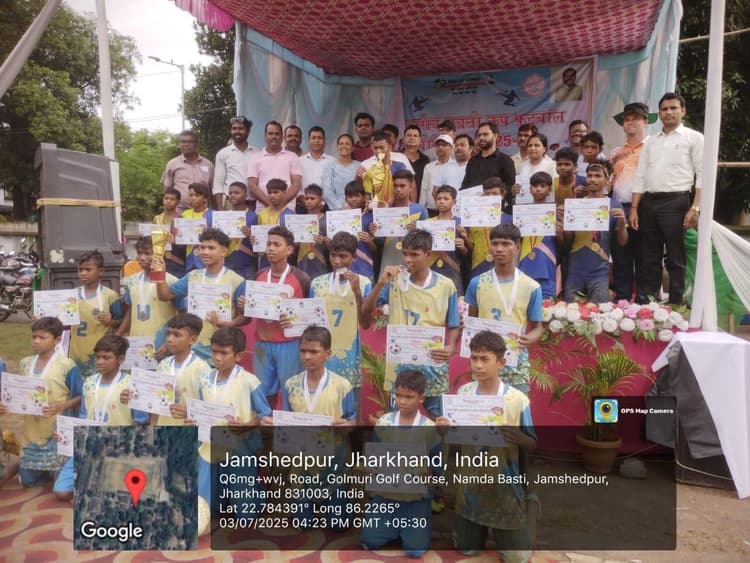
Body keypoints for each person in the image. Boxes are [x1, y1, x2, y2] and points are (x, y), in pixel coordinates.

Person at [437, 330, 536, 563]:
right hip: (470, 488)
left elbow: (532, 443)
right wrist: (443, 430)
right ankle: (473, 531)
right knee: (466, 549)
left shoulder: (517, 400)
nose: (478, 365)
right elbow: (455, 435)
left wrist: (518, 437)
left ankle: (516, 529)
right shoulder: (464, 393)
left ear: (501, 363)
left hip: (505, 488)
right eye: (474, 358)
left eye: (485, 359)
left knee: (517, 558)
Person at [362, 229, 460, 418]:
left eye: (414, 254)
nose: (408, 259)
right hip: (400, 366)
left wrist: (451, 346)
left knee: (438, 419)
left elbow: (454, 323)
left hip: (432, 364)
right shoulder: (393, 282)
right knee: (397, 420)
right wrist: (380, 283)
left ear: (428, 254)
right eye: (405, 253)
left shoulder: (446, 285)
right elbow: (366, 311)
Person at [180, 327, 272, 531]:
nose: (217, 357)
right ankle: (221, 497)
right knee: (206, 511)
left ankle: (256, 495)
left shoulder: (249, 381)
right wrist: (193, 421)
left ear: (239, 356)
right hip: (209, 447)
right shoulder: (205, 379)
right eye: (214, 351)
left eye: (224, 353)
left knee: (246, 516)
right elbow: (199, 410)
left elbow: (266, 417)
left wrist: (246, 425)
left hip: (239, 448)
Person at [53, 335, 149, 501]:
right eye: (97, 357)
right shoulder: (89, 383)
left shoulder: (131, 386)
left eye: (106, 357)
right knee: (61, 492)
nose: (100, 362)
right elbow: (83, 417)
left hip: (118, 447)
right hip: (89, 445)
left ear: (120, 359)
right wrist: (66, 434)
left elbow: (142, 421)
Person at [630, 93, 703, 306]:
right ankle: (650, 304)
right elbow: (641, 175)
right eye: (664, 109)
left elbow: (702, 174)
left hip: (676, 202)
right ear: (659, 113)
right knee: (649, 256)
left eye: (673, 108)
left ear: (683, 111)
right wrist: (634, 207)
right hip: (648, 203)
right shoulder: (651, 142)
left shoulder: (694, 138)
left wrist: (695, 207)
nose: (668, 112)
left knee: (675, 257)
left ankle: (676, 303)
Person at [360, 369, 442, 558]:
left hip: (415, 498)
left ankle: (409, 528)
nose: (402, 401)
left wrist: (432, 478)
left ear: (421, 398)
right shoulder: (384, 422)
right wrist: (370, 471)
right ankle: (393, 528)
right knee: (369, 541)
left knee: (415, 550)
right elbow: (374, 454)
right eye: (398, 395)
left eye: (409, 397)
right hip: (385, 496)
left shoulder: (430, 428)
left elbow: (436, 462)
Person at [0, 318, 81, 495]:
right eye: (34, 337)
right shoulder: (25, 363)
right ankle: (21, 464)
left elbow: (79, 396)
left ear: (57, 339)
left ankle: (63, 467)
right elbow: (19, 393)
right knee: (29, 482)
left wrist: (61, 406)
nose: (36, 341)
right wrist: (7, 405)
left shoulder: (67, 365)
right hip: (31, 431)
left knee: (61, 483)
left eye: (42, 338)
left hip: (56, 431)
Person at [465, 224, 544, 395]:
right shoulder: (476, 283)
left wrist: (529, 338)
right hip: (484, 364)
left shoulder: (531, 286)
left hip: (516, 364)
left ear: (517, 247)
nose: (499, 249)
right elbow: (471, 322)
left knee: (516, 410)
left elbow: (538, 327)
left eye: (506, 244)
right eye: (495, 243)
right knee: (484, 410)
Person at [154, 228, 246, 362]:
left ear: (224, 251)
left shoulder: (237, 281)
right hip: (190, 347)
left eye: (211, 248)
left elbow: (245, 317)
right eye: (202, 247)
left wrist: (230, 323)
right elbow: (165, 296)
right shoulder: (193, 276)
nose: (205, 252)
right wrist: (159, 273)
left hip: (218, 349)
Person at [310, 232, 372, 413]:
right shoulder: (317, 283)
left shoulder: (364, 283)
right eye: (333, 255)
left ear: (354, 257)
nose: (337, 261)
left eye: (343, 256)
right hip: (322, 354)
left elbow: (365, 322)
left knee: (350, 410)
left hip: (349, 357)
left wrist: (357, 292)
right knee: (321, 406)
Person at [249, 225, 311, 405]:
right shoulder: (259, 275)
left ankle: (290, 423)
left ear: (289, 250)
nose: (271, 248)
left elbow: (310, 314)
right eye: (268, 244)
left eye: (276, 244)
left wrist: (295, 317)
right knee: (263, 393)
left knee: (292, 391)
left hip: (289, 343)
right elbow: (252, 309)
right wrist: (244, 304)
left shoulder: (302, 278)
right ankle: (266, 423)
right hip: (263, 342)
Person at [609, 102, 657, 302]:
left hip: (646, 207)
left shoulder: (653, 147)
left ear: (645, 121)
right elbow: (610, 182)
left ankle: (645, 300)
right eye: (626, 119)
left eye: (635, 118)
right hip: (619, 206)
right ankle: (622, 298)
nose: (630, 123)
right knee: (621, 254)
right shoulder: (615, 152)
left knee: (645, 255)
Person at [562, 161, 628, 303]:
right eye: (590, 175)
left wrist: (622, 223)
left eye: (597, 176)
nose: (592, 179)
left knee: (599, 309)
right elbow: (568, 238)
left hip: (599, 271)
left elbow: (622, 242)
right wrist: (565, 224)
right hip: (575, 269)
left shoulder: (614, 204)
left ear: (607, 180)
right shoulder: (576, 204)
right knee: (570, 310)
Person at [116, 236, 181, 357]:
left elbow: (182, 315)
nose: (142, 258)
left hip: (161, 344)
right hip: (137, 344)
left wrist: (168, 344)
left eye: (147, 253)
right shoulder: (132, 281)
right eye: (139, 253)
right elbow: (131, 310)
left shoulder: (172, 281)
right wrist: (118, 335)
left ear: (159, 255)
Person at [69, 250, 122, 379]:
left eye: (88, 269)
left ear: (100, 271)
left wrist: (111, 322)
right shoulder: (71, 295)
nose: (83, 273)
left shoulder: (110, 296)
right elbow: (61, 322)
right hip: (75, 353)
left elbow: (122, 322)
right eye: (80, 269)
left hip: (99, 355)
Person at [153, 313, 210, 426]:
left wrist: (191, 412)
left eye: (177, 335)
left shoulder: (202, 369)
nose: (169, 339)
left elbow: (210, 407)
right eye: (168, 334)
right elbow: (155, 402)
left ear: (193, 339)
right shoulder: (163, 365)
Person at [370, 169, 428, 274]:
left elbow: (427, 240)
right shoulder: (385, 211)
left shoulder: (420, 210)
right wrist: (375, 233)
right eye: (395, 186)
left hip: (412, 263)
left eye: (402, 186)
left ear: (411, 187)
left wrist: (416, 233)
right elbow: (379, 242)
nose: (398, 189)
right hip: (388, 258)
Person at [517, 172, 559, 299]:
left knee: (546, 301)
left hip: (546, 260)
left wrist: (560, 232)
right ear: (530, 188)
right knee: (523, 299)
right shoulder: (521, 212)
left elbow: (563, 242)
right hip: (525, 259)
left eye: (543, 186)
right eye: (535, 186)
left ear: (549, 189)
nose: (538, 189)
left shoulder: (555, 212)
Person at [207, 181, 259, 279]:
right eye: (230, 193)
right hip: (225, 264)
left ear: (246, 195)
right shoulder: (222, 217)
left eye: (236, 193)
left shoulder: (253, 217)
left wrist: (251, 235)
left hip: (246, 266)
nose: (232, 195)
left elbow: (259, 245)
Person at [247, 121, 303, 211]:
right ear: (265, 136)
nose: (274, 136)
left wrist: (281, 204)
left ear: (282, 137)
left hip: (287, 210)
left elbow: (296, 184)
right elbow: (252, 185)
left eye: (277, 134)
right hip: (263, 211)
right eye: (270, 133)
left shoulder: (292, 157)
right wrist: (271, 205)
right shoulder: (255, 158)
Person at [467, 177, 513, 281]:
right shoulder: (473, 221)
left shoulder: (510, 219)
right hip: (478, 266)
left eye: (494, 194)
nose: (490, 197)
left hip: (504, 265)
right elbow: (470, 247)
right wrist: (465, 237)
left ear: (502, 195)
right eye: (487, 194)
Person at [428, 185, 470, 295]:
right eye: (439, 198)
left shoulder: (460, 223)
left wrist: (463, 246)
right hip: (431, 266)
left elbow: (467, 252)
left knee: (453, 298)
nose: (441, 201)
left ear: (454, 202)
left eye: (446, 199)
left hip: (453, 267)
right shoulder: (427, 223)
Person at [161, 130, 214, 214]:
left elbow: (212, 190)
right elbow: (167, 189)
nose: (185, 144)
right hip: (179, 212)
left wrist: (215, 212)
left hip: (202, 213)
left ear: (197, 144)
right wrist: (167, 212)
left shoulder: (208, 165)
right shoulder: (172, 164)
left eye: (189, 142)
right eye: (183, 142)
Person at [213, 116, 254, 209]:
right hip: (230, 204)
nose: (237, 131)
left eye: (240, 128)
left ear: (248, 131)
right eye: (234, 128)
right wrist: (220, 209)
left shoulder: (256, 153)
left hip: (252, 204)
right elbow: (218, 184)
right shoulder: (223, 153)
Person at [361, 130, 414, 202]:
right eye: (376, 148)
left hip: (398, 206)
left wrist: (390, 203)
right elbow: (368, 195)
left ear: (390, 147)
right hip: (378, 207)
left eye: (381, 147)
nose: (378, 151)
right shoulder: (370, 170)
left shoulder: (400, 166)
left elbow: (405, 189)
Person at [256, 178, 296, 271]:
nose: (272, 195)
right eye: (269, 192)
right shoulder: (262, 214)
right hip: (265, 258)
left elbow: (294, 242)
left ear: (284, 193)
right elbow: (258, 237)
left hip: (285, 260)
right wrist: (254, 238)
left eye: (276, 192)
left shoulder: (291, 215)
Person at [461, 122, 515, 190]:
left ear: (495, 136)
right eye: (479, 135)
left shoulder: (506, 161)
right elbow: (465, 186)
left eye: (485, 134)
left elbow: (510, 187)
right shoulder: (472, 161)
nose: (481, 138)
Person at [294, 184, 330, 279]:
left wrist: (324, 241)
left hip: (321, 260)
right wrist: (295, 243)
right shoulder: (299, 220)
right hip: (302, 260)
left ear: (321, 201)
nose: (309, 201)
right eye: (306, 198)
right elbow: (294, 246)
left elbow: (334, 245)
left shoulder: (327, 220)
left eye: (312, 198)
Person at [343, 180, 376, 280]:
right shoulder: (339, 218)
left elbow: (376, 249)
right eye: (350, 196)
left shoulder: (371, 217)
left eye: (357, 196)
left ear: (364, 197)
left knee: (366, 288)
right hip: (344, 263)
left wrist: (369, 241)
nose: (353, 199)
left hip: (365, 263)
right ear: (345, 198)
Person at [298, 126, 334, 212]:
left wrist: (322, 203)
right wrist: (305, 202)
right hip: (303, 206)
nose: (316, 140)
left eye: (319, 138)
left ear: (324, 141)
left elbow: (334, 186)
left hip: (326, 206)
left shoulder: (333, 161)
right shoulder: (299, 161)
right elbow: (296, 185)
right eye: (313, 138)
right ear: (308, 141)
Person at [321, 133, 359, 211]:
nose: (344, 146)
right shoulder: (329, 167)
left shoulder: (359, 166)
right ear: (337, 147)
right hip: (336, 211)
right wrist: (340, 207)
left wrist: (354, 205)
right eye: (341, 144)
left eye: (347, 144)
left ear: (353, 148)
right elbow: (326, 191)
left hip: (357, 209)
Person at [154, 187, 185, 278]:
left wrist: (176, 241)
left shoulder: (181, 220)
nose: (168, 201)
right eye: (166, 198)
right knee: (158, 284)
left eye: (172, 199)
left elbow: (185, 245)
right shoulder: (157, 219)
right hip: (158, 259)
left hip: (175, 261)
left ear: (178, 202)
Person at [514, 133, 557, 200]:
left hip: (546, 203)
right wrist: (515, 190)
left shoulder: (552, 165)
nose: (532, 148)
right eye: (530, 145)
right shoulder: (524, 164)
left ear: (544, 148)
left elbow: (554, 189)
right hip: (525, 204)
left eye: (537, 145)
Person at [181, 182, 212, 272]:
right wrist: (177, 234)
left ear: (205, 198)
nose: (193, 198)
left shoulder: (212, 215)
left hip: (206, 258)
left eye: (197, 195)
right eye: (191, 195)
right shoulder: (184, 214)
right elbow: (181, 241)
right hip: (190, 257)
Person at [419, 134, 453, 213]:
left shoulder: (457, 167)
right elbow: (424, 190)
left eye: (444, 145)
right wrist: (420, 210)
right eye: (438, 145)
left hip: (451, 211)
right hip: (431, 210)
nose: (440, 147)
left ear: (451, 148)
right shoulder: (429, 167)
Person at [402, 124, 431, 202]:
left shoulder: (425, 160)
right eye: (409, 135)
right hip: (400, 202)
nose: (412, 138)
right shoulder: (397, 158)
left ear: (420, 140)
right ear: (403, 139)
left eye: (415, 136)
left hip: (421, 202)